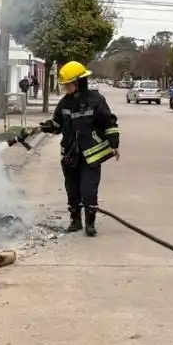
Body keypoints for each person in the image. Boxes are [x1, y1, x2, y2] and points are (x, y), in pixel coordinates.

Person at [38, 60, 120, 237]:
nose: (65, 88)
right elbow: (58, 124)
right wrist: (45, 126)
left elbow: (109, 122)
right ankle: (75, 220)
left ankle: (90, 223)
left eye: (68, 84)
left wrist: (114, 143)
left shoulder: (96, 100)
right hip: (70, 154)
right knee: (72, 189)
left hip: (91, 155)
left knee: (88, 190)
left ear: (78, 82)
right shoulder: (64, 103)